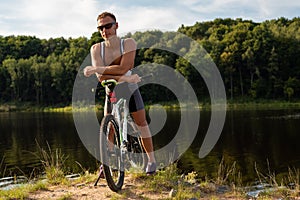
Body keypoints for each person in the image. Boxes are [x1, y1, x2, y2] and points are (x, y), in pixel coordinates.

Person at [83, 11, 156, 175]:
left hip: (130, 88)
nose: (104, 31)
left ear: (116, 26)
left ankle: (151, 161)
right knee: (108, 126)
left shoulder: (128, 43)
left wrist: (96, 68)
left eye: (108, 26)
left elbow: (125, 66)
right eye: (100, 28)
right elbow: (101, 77)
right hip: (111, 87)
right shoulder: (96, 49)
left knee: (141, 123)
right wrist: (122, 76)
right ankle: (107, 165)